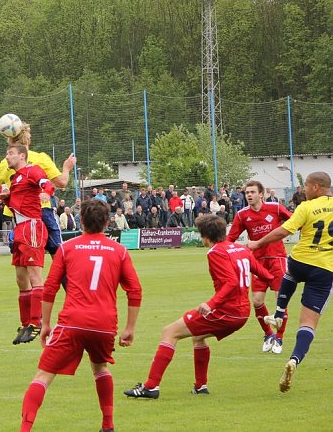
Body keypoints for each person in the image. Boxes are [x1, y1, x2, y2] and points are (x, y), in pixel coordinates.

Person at [19, 200, 141, 432]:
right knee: (100, 368)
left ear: (81, 221)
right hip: (105, 325)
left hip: (72, 323)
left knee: (43, 375)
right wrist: (130, 328)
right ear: (107, 222)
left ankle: (25, 429)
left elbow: (50, 287)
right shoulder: (120, 251)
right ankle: (108, 425)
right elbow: (134, 290)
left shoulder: (67, 248)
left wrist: (45, 324)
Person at [125, 214, 271, 400]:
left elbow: (231, 282)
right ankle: (200, 386)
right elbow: (264, 274)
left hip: (227, 312)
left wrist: (211, 304)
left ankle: (151, 386)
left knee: (169, 332)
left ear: (206, 236)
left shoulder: (216, 252)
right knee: (198, 337)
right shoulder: (240, 249)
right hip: (242, 313)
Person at [248, 171, 333, 392]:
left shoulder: (306, 207)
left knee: (290, 273)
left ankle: (278, 314)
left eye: (305, 185)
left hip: (301, 260)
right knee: (308, 324)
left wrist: (257, 243)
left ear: (315, 187)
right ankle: (294, 359)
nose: (303, 189)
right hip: (325, 269)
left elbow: (283, 231)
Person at [0, 120, 75, 258]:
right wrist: (66, 167)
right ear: (28, 138)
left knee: (25, 261)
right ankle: (64, 279)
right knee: (58, 254)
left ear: (10, 140)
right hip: (42, 210)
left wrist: (3, 192)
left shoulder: (4, 164)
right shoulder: (40, 158)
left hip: (20, 215)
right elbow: (62, 182)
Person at [0, 144, 55, 345]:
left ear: (22, 156)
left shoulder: (32, 170)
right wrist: (5, 198)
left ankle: (37, 323)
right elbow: (17, 204)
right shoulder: (15, 179)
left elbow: (46, 183)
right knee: (21, 279)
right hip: (19, 229)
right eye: (6, 153)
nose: (7, 156)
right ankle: (25, 324)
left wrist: (47, 193)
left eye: (10, 153)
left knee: (34, 276)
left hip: (32, 227)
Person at [226, 180, 292, 354]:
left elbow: (294, 222)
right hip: (257, 262)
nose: (249, 195)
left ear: (261, 194)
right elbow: (230, 238)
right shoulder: (241, 215)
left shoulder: (275, 208)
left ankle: (280, 337)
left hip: (277, 258)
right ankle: (268, 334)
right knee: (256, 301)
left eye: (252, 192)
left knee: (281, 300)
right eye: (247, 192)